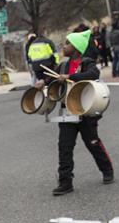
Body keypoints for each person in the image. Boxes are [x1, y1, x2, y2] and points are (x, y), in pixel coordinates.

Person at [44, 28, 114, 196]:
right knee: (64, 146)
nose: (64, 45)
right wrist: (42, 82)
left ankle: (107, 169)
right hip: (67, 111)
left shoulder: (87, 62)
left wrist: (70, 77)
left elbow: (92, 74)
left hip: (86, 110)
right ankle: (65, 181)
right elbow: (52, 79)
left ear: (76, 47)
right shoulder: (62, 65)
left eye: (68, 43)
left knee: (93, 143)